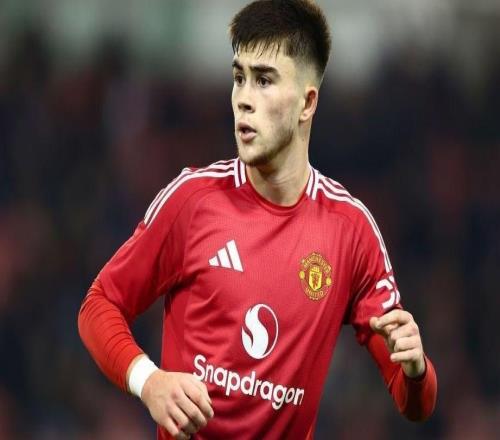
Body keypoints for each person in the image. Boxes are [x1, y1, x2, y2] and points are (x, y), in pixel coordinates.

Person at [78, 1, 437, 438]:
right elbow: (99, 305)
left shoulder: (350, 230)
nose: (244, 99)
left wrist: (416, 370)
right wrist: (148, 381)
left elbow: (415, 403)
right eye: (239, 78)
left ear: (307, 103)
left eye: (264, 80)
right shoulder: (193, 201)